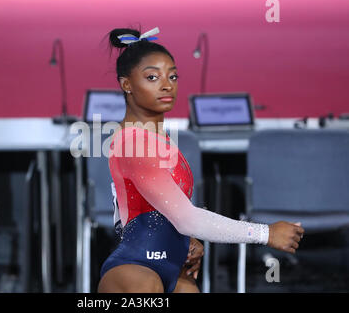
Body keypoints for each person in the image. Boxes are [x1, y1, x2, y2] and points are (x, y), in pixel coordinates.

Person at [97, 26, 304, 293]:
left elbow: (133, 212)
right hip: (135, 272)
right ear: (127, 84)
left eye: (173, 76)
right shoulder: (133, 143)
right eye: (152, 77)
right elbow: (186, 217)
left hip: (173, 270)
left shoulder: (159, 139)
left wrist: (183, 240)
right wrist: (266, 234)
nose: (166, 84)